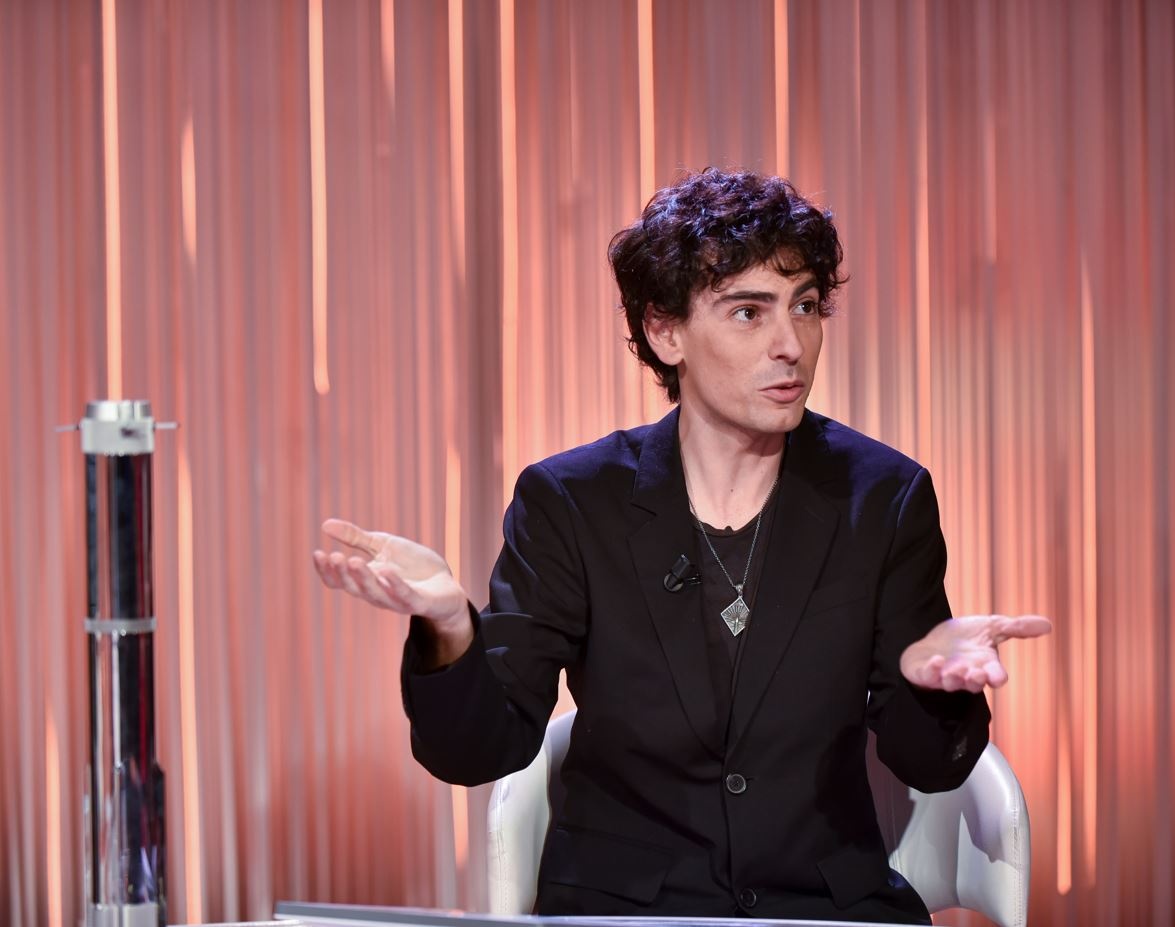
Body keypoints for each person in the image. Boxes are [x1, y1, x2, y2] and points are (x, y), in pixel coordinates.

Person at [313, 168, 1051, 924]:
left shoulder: (883, 498)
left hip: (819, 905)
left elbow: (931, 766)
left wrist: (937, 687)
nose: (790, 344)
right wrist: (449, 629)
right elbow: (478, 751)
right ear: (666, 332)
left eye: (804, 307)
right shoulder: (572, 502)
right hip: (627, 909)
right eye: (748, 312)